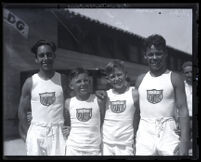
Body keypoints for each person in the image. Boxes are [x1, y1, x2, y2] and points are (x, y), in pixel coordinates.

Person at [135, 34, 190, 156]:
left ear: (165, 54)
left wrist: (185, 142)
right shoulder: (140, 80)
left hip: (168, 131)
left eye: (158, 53)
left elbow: (183, 109)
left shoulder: (175, 78)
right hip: (144, 131)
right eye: (150, 54)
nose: (154, 57)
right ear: (145, 56)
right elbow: (134, 110)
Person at [18, 40, 69, 155]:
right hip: (37, 131)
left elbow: (70, 106)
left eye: (49, 54)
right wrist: (27, 134)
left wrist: (69, 127)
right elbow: (22, 111)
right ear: (36, 59)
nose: (45, 58)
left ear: (54, 56)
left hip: (58, 132)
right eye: (41, 55)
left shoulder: (63, 79)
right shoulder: (30, 82)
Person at [64, 67, 106, 156]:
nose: (83, 83)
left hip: (94, 149)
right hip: (73, 149)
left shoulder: (98, 101)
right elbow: (67, 123)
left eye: (86, 80)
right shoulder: (68, 102)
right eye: (78, 81)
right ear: (71, 86)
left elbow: (102, 122)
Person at [101, 60, 138, 155]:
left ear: (125, 74)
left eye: (119, 75)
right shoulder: (105, 96)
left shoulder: (134, 94)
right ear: (108, 79)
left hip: (126, 144)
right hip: (107, 143)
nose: (116, 79)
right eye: (112, 76)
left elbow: (139, 117)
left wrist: (136, 138)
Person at [182, 61, 192, 155]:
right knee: (185, 146)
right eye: (187, 72)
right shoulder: (181, 87)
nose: (190, 74)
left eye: (192, 72)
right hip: (185, 120)